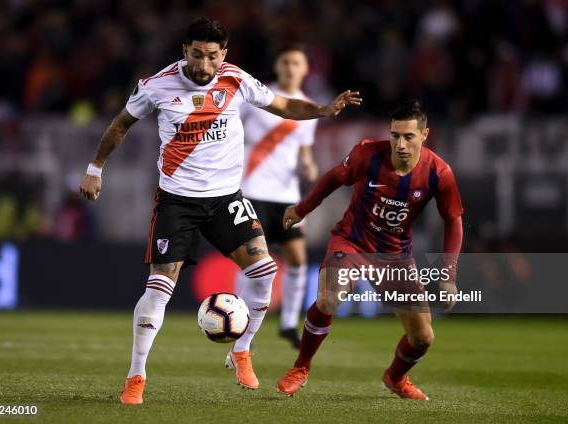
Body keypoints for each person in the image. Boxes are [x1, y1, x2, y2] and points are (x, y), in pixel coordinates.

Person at [78, 17, 361, 404]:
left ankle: (241, 350)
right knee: (160, 287)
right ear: (185, 51)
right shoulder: (156, 85)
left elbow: (282, 105)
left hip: (227, 198)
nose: (205, 65)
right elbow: (120, 126)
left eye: (213, 56)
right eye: (197, 55)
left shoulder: (236, 79)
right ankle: (136, 377)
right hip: (177, 200)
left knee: (265, 272)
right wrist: (95, 169)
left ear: (223, 54)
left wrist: (323, 111)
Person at [276, 100, 463, 400]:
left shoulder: (438, 173)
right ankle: (301, 367)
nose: (400, 144)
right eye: (395, 135)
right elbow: (333, 178)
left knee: (423, 338)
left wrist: (449, 275)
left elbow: (453, 220)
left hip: (395, 257)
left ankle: (396, 378)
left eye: (409, 137)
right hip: (351, 242)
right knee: (329, 297)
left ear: (425, 135)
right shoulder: (368, 154)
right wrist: (301, 209)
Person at [238, 43, 318, 349]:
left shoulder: (307, 107)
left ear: (305, 69)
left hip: (286, 195)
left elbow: (303, 150)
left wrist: (308, 163)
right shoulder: (258, 97)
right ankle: (241, 321)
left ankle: (287, 323)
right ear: (277, 65)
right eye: (285, 61)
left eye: (296, 62)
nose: (290, 67)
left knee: (297, 258)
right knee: (253, 260)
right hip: (253, 190)